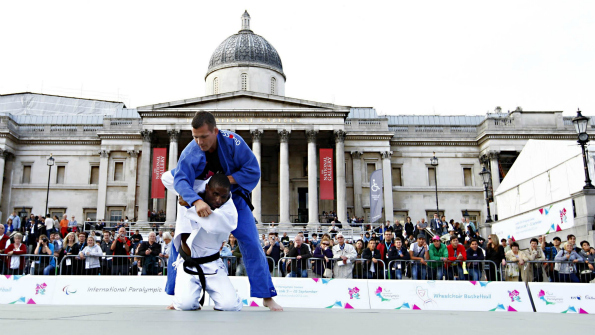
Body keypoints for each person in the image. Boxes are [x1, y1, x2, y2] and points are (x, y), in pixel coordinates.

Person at [169, 111, 281, 311]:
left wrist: (224, 181)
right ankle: (174, 293)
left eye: (204, 136)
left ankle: (266, 295)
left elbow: (253, 170)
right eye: (195, 137)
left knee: (251, 241)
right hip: (201, 198)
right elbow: (180, 179)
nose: (200, 142)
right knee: (180, 238)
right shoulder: (190, 150)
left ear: (215, 131)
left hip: (233, 197)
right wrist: (195, 200)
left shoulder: (233, 143)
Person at [169, 174, 243, 311]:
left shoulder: (229, 211)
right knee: (185, 305)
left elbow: (213, 224)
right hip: (188, 263)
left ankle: (232, 297)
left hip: (212, 265)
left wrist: (191, 205)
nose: (218, 200)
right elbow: (166, 178)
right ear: (207, 187)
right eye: (215, 194)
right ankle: (181, 298)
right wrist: (195, 199)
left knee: (230, 306)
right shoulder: (190, 190)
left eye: (224, 196)